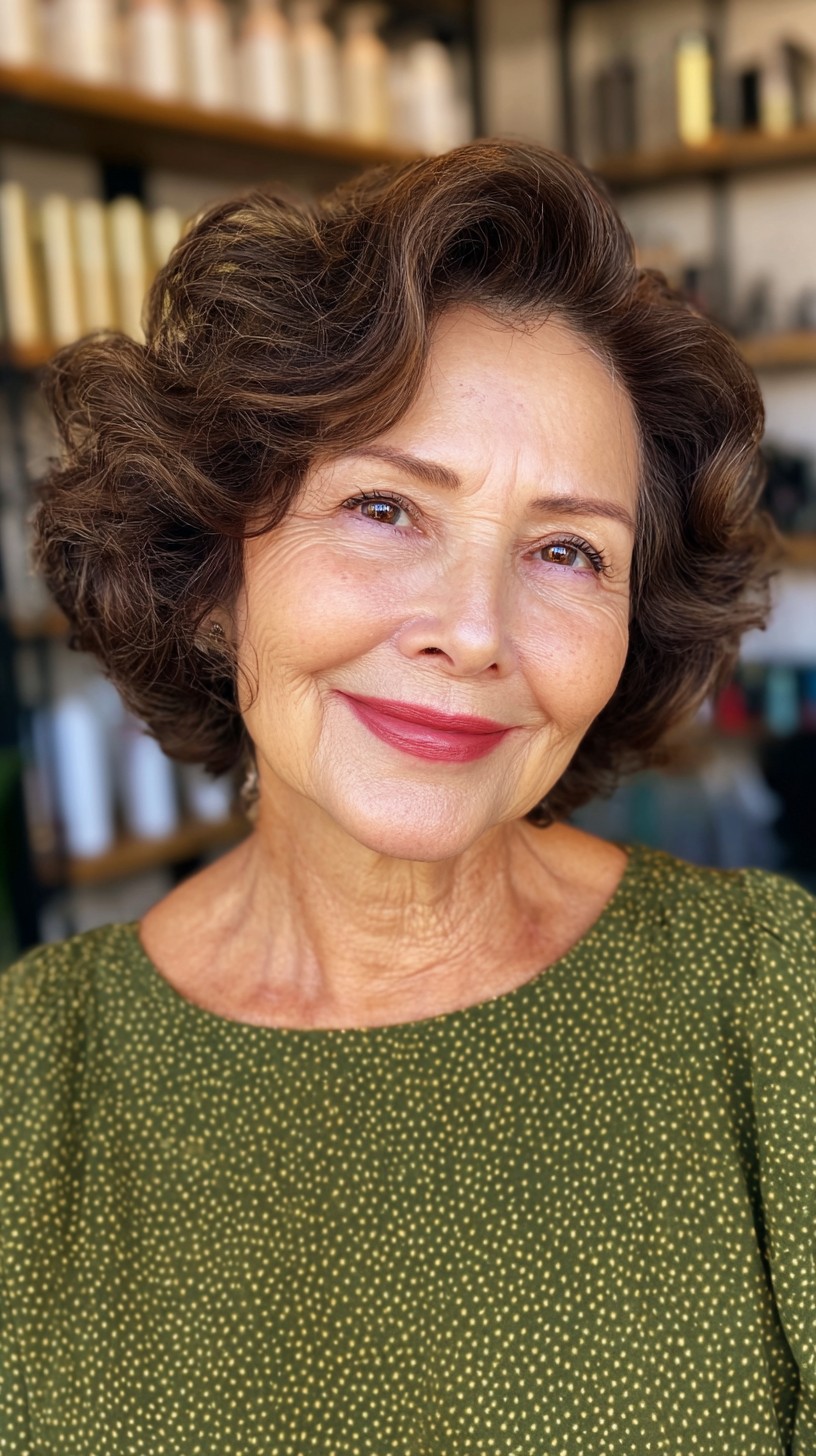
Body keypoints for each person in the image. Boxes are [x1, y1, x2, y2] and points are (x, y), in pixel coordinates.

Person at [2, 139, 814, 1454]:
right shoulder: (31, 1079)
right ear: (215, 578)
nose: (473, 631)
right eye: (387, 508)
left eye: (566, 551)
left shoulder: (774, 1007)